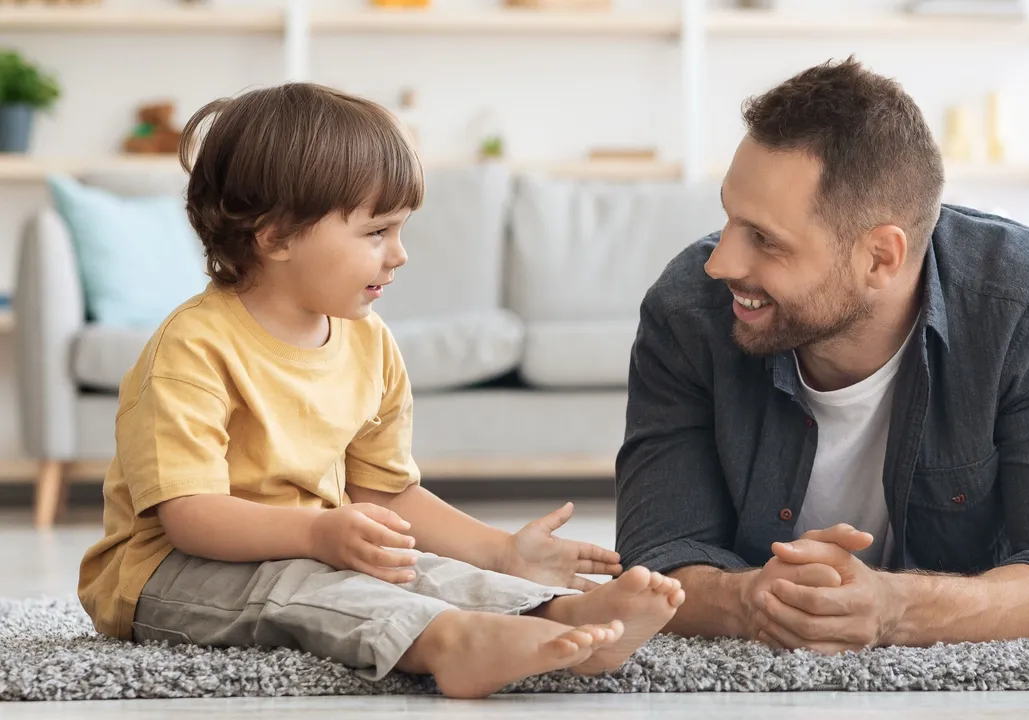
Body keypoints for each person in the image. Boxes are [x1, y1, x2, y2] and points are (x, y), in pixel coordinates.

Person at [77, 83, 684, 700]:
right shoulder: (191, 348)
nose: (399, 255)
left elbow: (386, 492)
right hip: (166, 573)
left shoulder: (370, 342)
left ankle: (552, 617)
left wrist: (501, 553)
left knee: (415, 567)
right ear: (276, 235)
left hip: (310, 544)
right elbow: (190, 518)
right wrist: (318, 535)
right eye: (377, 232)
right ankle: (452, 645)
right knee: (321, 589)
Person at [615, 57, 1029, 654]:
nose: (722, 263)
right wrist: (750, 598)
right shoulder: (687, 311)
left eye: (764, 239)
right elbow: (655, 559)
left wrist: (895, 608)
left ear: (880, 258)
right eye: (730, 219)